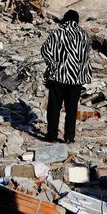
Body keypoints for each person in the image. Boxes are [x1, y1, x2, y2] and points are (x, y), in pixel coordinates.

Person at [41, 10, 92, 143]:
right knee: (72, 109)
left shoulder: (57, 32)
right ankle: (69, 137)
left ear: (64, 19)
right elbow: (86, 56)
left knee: (54, 108)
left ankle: (51, 136)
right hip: (76, 79)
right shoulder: (84, 34)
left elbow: (45, 50)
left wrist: (53, 66)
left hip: (58, 77)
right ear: (77, 20)